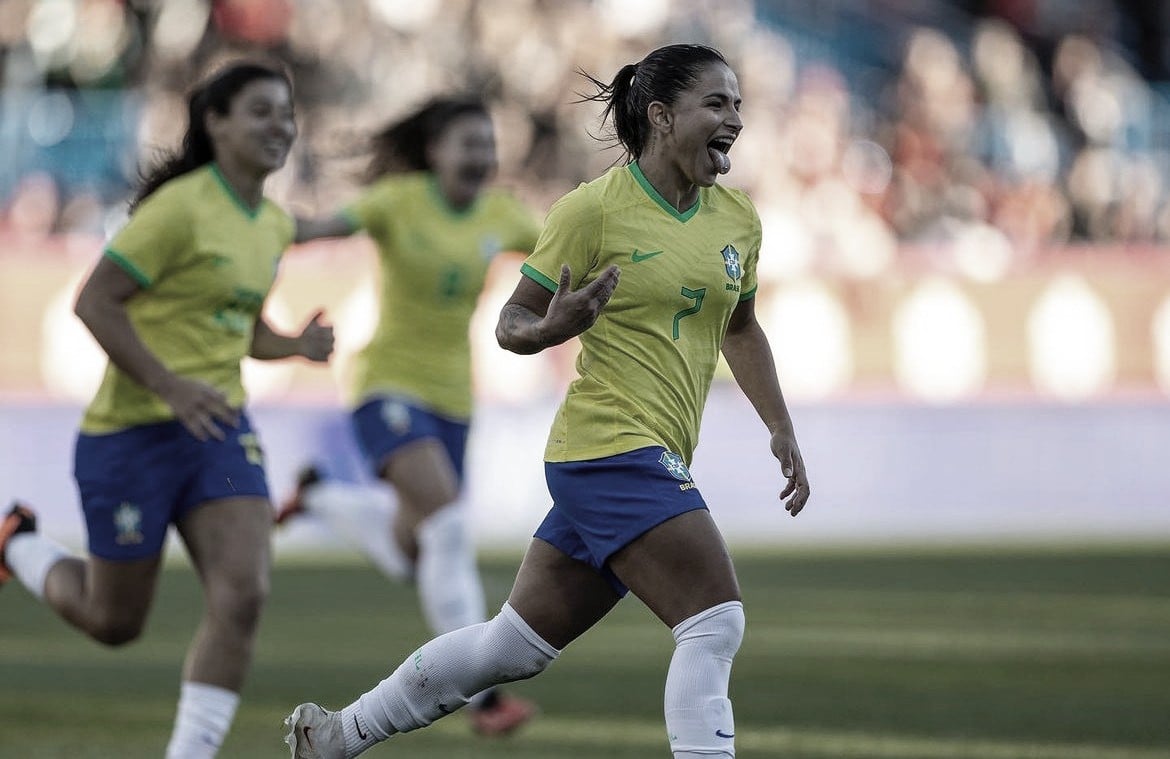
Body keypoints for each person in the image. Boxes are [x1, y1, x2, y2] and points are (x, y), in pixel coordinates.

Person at [281, 43, 811, 759]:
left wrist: (779, 424)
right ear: (661, 116)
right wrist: (551, 327)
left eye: (739, 104)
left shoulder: (738, 221)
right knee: (713, 620)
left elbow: (741, 327)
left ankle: (339, 733)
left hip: (639, 454)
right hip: (609, 448)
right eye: (717, 103)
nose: (736, 120)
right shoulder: (591, 210)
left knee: (512, 647)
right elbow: (511, 322)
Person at [0, 61, 334, 759]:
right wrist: (170, 386)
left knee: (243, 592)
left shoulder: (272, 223)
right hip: (131, 435)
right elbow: (94, 301)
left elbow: (240, 327)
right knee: (113, 620)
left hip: (218, 429)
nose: (281, 126)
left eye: (287, 113)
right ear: (215, 123)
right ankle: (17, 543)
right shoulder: (178, 208)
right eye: (262, 111)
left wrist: (294, 343)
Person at [274, 96, 542, 734]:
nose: (480, 156)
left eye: (488, 144)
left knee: (413, 549)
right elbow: (319, 230)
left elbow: (573, 245)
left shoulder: (502, 214)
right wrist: (254, 220)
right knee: (446, 524)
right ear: (434, 151)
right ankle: (485, 699)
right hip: (385, 386)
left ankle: (317, 499)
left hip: (454, 399)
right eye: (467, 143)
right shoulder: (398, 201)